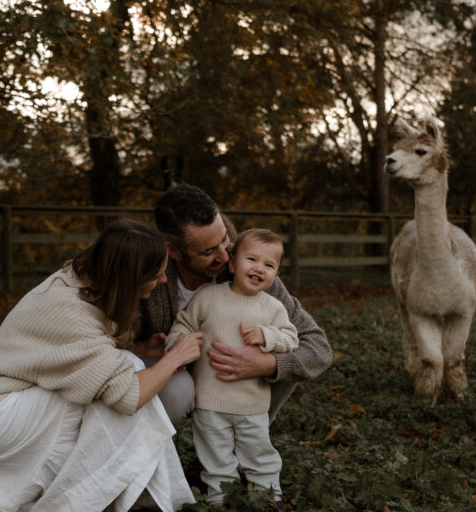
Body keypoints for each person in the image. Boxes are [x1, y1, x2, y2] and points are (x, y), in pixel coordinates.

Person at [0, 219, 203, 512]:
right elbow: (129, 396)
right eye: (156, 274)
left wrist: (143, 350)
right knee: (124, 377)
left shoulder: (83, 281)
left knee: (126, 365)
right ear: (129, 278)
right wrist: (176, 356)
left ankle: (105, 494)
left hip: (20, 407)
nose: (162, 280)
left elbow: (73, 357)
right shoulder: (70, 312)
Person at [134, 182, 333, 425]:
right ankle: (158, 451)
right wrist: (143, 349)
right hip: (178, 374)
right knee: (177, 392)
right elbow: (108, 346)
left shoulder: (251, 272)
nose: (225, 255)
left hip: (239, 386)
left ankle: (249, 439)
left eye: (224, 239)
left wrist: (267, 364)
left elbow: (318, 348)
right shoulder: (150, 278)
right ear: (173, 251)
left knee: (285, 358)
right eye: (208, 252)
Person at [165, 228, 299, 503]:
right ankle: (219, 500)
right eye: (252, 259)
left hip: (252, 403)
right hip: (210, 400)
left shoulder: (273, 308)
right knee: (215, 457)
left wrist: (267, 336)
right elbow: (184, 324)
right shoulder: (208, 297)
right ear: (232, 262)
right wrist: (178, 345)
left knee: (259, 453)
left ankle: (268, 497)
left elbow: (291, 339)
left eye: (269, 265)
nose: (259, 268)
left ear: (276, 274)